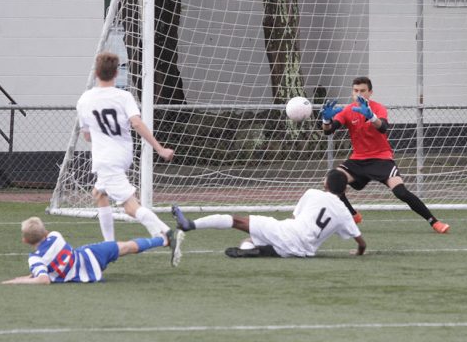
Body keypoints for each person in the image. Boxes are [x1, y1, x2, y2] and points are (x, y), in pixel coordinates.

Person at [76, 52, 182, 264]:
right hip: (123, 155)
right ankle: (109, 245)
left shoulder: (84, 99)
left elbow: (86, 134)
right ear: (116, 73)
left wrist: (160, 150)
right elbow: (136, 123)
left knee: (130, 207)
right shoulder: (123, 96)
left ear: (96, 72)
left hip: (106, 159)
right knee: (99, 193)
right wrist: (159, 147)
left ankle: (166, 232)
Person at [321, 76, 450, 233]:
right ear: (352, 92)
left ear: (370, 92)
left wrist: (371, 116)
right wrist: (326, 119)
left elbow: (383, 127)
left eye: (363, 91)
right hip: (358, 160)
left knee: (400, 192)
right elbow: (329, 131)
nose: (359, 94)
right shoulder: (348, 110)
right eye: (356, 91)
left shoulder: (378, 108)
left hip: (381, 159)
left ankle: (434, 222)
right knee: (330, 181)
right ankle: (353, 215)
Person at [172, 169, 366, 258]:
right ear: (345, 191)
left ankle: (190, 224)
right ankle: (258, 251)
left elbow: (294, 218)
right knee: (249, 241)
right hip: (302, 251)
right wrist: (358, 252)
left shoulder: (312, 193)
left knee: (236, 221)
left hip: (286, 232)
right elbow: (361, 242)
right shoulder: (343, 212)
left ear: (325, 184)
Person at [2, 217, 179, 284]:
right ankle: (163, 240)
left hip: (86, 275)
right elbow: (44, 276)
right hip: (90, 255)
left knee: (124, 247)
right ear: (45, 232)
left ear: (25, 241)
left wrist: (19, 280)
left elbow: (43, 278)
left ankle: (163, 239)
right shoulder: (55, 235)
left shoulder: (35, 259)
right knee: (126, 247)